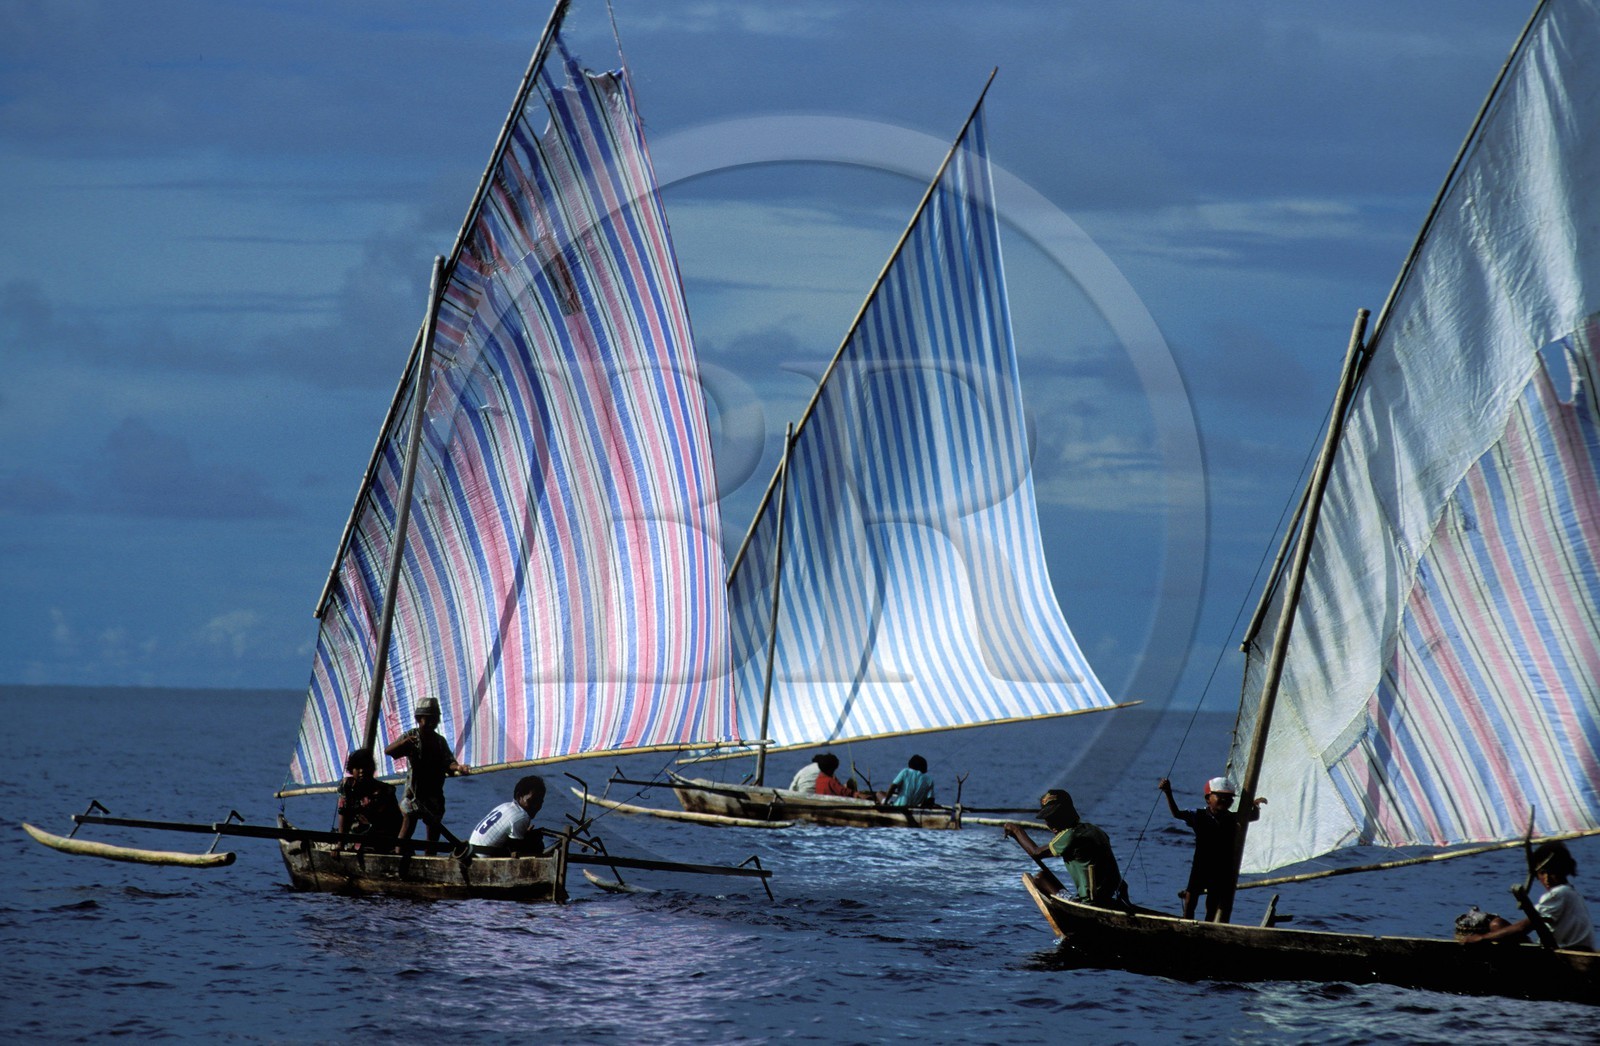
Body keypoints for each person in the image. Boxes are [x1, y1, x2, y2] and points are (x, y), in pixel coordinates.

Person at [1159, 775, 1265, 921]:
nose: (1225, 800)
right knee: (1191, 897)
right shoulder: (1198, 815)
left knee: (1213, 901)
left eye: (1228, 798)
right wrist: (1168, 792)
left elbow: (1252, 817)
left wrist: (1255, 805)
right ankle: (1186, 923)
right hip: (1201, 865)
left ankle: (1208, 926)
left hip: (1221, 867)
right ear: (1208, 798)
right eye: (1220, 796)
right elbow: (1177, 813)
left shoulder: (1232, 818)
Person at [1461, 840, 1595, 951]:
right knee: (1498, 925)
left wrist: (1481, 938)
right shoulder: (1571, 893)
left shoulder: (1560, 893)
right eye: (1542, 873)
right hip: (1564, 948)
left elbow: (1522, 928)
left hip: (1566, 953)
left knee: (1497, 925)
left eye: (1552, 871)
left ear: (1563, 869)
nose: (1547, 878)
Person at [1003, 789, 1126, 907]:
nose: (1052, 825)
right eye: (1048, 819)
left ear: (1067, 813)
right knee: (1043, 877)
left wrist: (1016, 830)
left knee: (1040, 879)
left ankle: (1072, 901)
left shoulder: (1069, 835)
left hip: (1093, 901)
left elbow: (1036, 852)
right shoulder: (1094, 829)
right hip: (1112, 896)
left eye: (1056, 817)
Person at [385, 696, 469, 854]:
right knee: (407, 826)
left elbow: (448, 762)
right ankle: (397, 857)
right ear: (419, 719)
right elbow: (389, 751)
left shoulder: (439, 741)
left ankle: (429, 859)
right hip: (414, 795)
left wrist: (459, 767)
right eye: (428, 719)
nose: (432, 722)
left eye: (435, 719)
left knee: (433, 832)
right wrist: (403, 743)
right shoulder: (412, 737)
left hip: (434, 795)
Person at [333, 748, 401, 852]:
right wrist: (340, 844)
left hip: (382, 838)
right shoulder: (347, 786)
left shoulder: (384, 791)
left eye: (365, 767)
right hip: (356, 836)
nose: (362, 771)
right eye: (358, 767)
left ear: (372, 768)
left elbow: (395, 822)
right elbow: (343, 813)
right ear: (352, 770)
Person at [468, 776, 547, 856]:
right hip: (482, 857)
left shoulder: (504, 806)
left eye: (540, 802)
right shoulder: (522, 816)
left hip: (472, 852)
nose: (536, 806)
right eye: (532, 801)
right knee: (536, 843)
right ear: (519, 796)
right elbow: (516, 851)